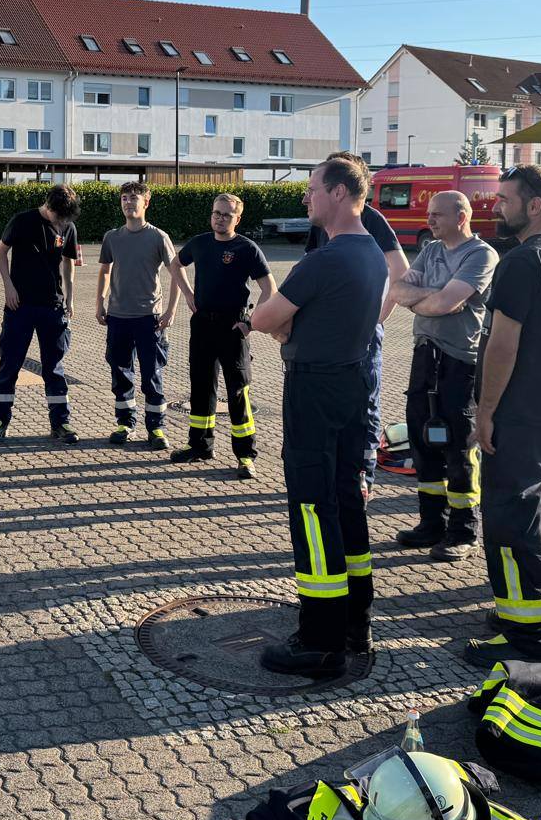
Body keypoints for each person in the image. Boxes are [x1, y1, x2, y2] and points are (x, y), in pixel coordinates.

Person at [252, 157, 387, 678]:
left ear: (336, 193)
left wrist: (285, 328)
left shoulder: (326, 258)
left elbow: (264, 317)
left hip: (314, 388)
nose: (306, 199)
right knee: (346, 504)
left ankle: (320, 640)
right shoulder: (372, 252)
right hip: (352, 386)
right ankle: (356, 623)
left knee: (312, 509)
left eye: (311, 189)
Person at [465, 164, 541, 667]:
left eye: (505, 200)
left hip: (519, 415)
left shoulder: (521, 262)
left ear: (534, 205)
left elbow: (502, 344)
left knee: (511, 524)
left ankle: (524, 638)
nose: (497, 207)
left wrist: (486, 411)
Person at [386, 191, 497, 561]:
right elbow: (398, 290)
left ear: (462, 216)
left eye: (438, 215)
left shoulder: (480, 255)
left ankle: (464, 531)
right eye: (430, 214)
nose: (430, 220)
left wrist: (428, 300)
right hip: (424, 357)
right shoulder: (432, 250)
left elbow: (447, 303)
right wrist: (433, 297)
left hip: (459, 363)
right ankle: (431, 523)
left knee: (459, 448)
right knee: (422, 440)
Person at [307, 151, 408, 478]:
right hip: (325, 335)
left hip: (361, 335)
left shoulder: (371, 219)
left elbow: (400, 272)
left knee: (364, 406)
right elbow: (312, 272)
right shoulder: (321, 224)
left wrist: (377, 318)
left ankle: (362, 477)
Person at [169, 193, 275, 478]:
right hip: (203, 324)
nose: (220, 218)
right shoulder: (200, 243)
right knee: (201, 386)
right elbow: (174, 264)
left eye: (227, 215)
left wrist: (251, 323)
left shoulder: (247, 249)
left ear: (237, 219)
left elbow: (269, 289)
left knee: (238, 391)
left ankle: (245, 456)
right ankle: (200, 446)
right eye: (217, 213)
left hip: (233, 328)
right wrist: (188, 294)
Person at [0, 185, 81, 444]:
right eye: (58, 217)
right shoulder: (22, 221)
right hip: (20, 307)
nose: (62, 222)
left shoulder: (67, 226)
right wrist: (8, 286)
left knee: (54, 368)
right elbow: (1, 251)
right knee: (10, 364)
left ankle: (60, 423)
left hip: (52, 307)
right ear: (48, 207)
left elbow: (69, 262)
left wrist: (70, 298)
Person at [95, 182, 179, 450]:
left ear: (146, 203)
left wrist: (171, 310)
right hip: (118, 317)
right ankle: (125, 423)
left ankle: (156, 428)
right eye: (124, 198)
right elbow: (105, 271)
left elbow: (177, 273)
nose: (128, 203)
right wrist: (99, 302)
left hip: (149, 318)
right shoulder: (112, 237)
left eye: (134, 198)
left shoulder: (158, 237)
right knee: (120, 372)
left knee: (152, 374)